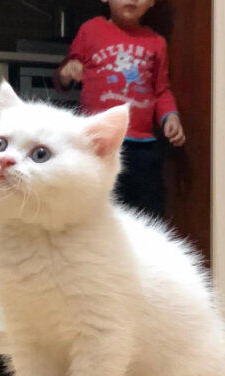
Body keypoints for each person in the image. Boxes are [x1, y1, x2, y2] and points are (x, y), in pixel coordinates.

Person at [54, 0, 185, 219]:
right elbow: (64, 77)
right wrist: (69, 71)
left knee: (147, 211)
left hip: (142, 146)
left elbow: (161, 90)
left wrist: (170, 116)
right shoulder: (91, 30)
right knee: (97, 210)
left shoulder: (156, 42)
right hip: (99, 142)